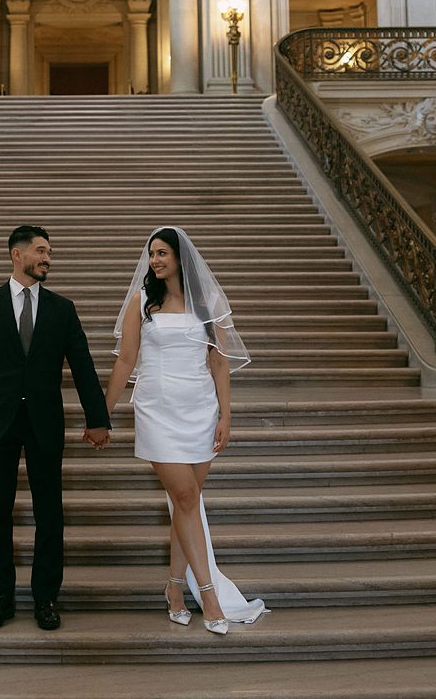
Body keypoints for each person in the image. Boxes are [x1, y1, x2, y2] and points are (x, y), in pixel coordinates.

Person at [101, 226, 268, 635]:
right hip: (157, 408)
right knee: (186, 496)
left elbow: (219, 363)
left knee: (184, 505)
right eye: (151, 254)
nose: (154, 260)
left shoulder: (207, 302)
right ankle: (208, 596)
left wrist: (226, 415)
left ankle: (175, 589)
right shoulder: (141, 303)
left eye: (161, 253)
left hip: (200, 410)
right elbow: (126, 361)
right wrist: (102, 413)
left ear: (179, 257)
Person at [0, 225, 111, 631]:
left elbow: (82, 366)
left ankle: (45, 598)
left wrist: (97, 419)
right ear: (17, 254)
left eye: (49, 253)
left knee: (49, 514)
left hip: (44, 422)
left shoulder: (63, 309)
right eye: (41, 251)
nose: (48, 258)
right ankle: (2, 598)